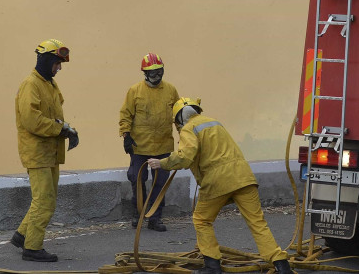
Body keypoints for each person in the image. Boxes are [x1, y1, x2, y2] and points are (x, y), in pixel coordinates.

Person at [147, 98, 295, 274]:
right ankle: (280, 263)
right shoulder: (214, 123)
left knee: (202, 219)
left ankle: (212, 266)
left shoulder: (188, 128)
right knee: (257, 223)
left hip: (217, 181)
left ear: (179, 119)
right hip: (243, 177)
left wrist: (161, 163)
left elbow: (185, 157)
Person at [11, 39, 79, 262]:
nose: (59, 68)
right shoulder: (30, 85)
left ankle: (22, 235)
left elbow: (54, 116)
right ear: (46, 60)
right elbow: (32, 120)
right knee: (45, 201)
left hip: (50, 153)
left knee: (45, 198)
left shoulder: (50, 84)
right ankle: (32, 248)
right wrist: (60, 129)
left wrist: (67, 129)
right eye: (57, 63)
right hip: (38, 154)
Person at [118, 52, 180, 231]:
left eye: (159, 71)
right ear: (145, 72)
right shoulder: (135, 91)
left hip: (163, 145)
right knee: (137, 179)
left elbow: (179, 116)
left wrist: (184, 135)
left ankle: (155, 218)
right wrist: (126, 135)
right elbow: (125, 114)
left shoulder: (171, 90)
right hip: (139, 146)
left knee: (160, 183)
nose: (156, 75)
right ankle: (138, 213)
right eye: (152, 72)